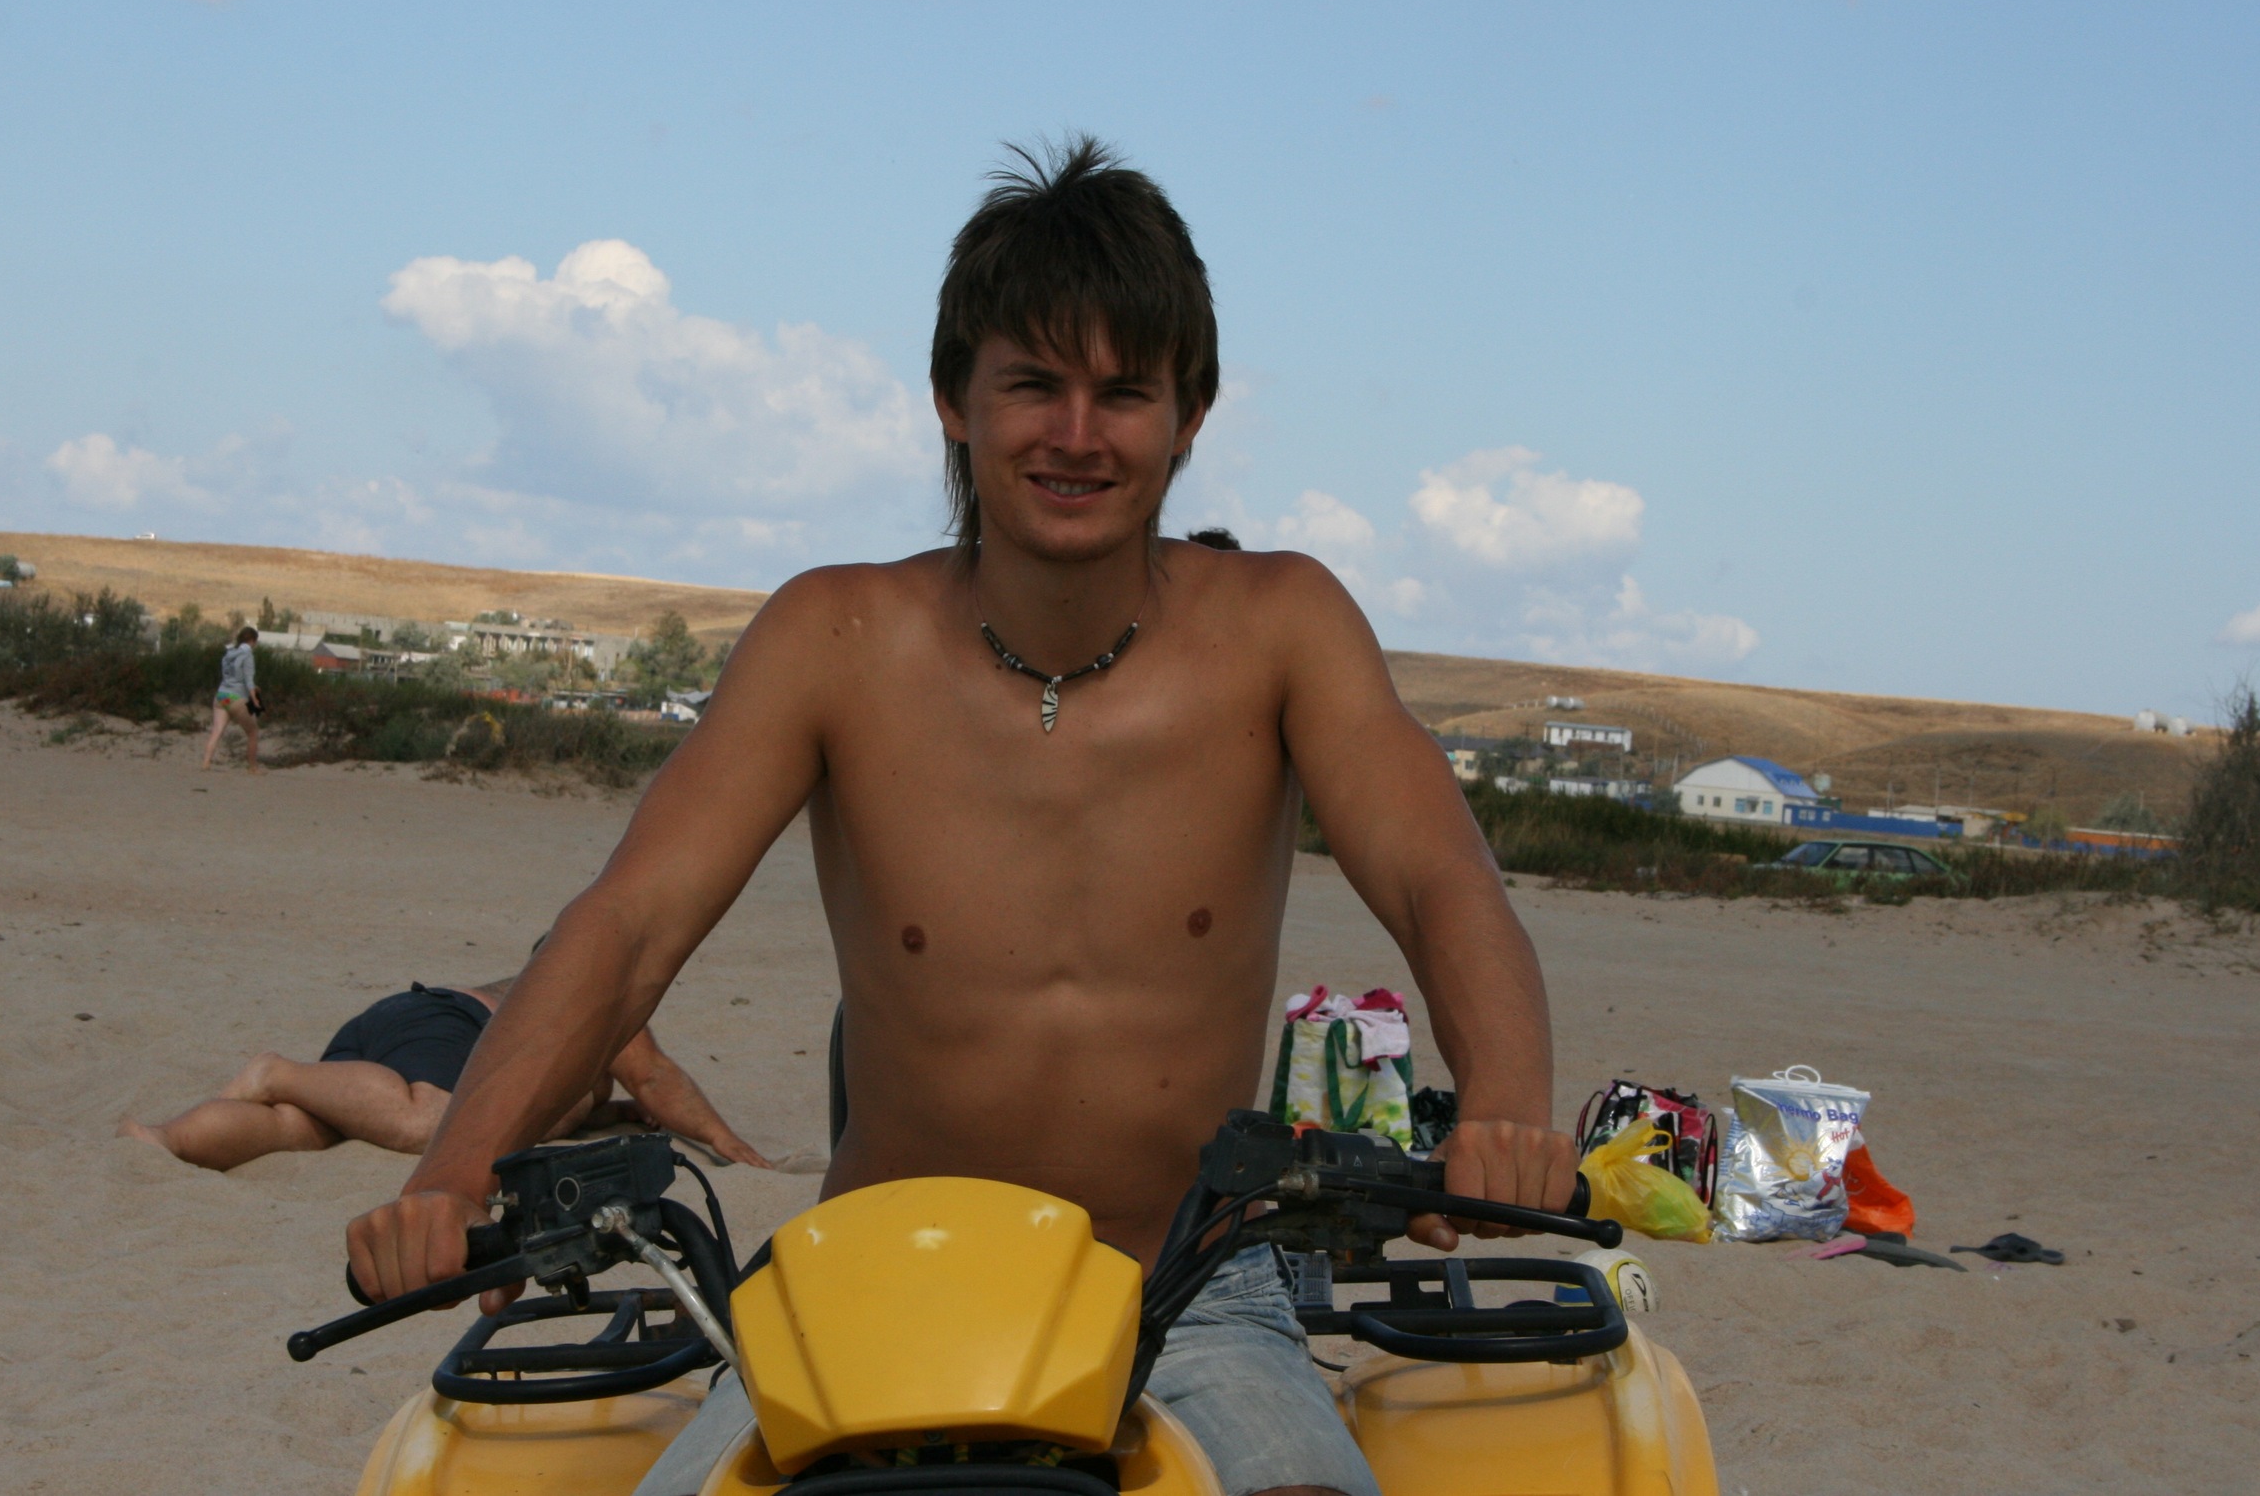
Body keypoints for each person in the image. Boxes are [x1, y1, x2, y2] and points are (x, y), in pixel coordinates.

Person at [344, 138, 1571, 1496]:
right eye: (1033, 383)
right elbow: (631, 920)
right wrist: (454, 1173)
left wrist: (1507, 1104)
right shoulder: (835, 636)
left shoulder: (1284, 628)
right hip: (872, 1279)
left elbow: (1441, 877)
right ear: (952, 398)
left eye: (1124, 391)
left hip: (1186, 1288)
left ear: (1189, 415)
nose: (1077, 434)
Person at [118, 970, 768, 1173]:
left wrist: (608, 1112)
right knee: (425, 1118)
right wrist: (729, 1143)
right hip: (447, 1024)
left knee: (299, 1130)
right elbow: (654, 1078)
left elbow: (601, 1098)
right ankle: (274, 1071)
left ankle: (167, 1139)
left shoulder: (557, 1033)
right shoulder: (592, 996)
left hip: (403, 1028)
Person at [201, 625, 263, 774]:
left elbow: (232, 676)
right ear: (252, 640)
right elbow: (248, 680)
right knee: (253, 732)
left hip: (222, 695)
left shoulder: (229, 653)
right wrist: (255, 699)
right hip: (236, 697)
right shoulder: (247, 655)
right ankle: (253, 767)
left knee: (217, 731)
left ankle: (206, 762)